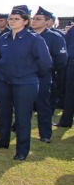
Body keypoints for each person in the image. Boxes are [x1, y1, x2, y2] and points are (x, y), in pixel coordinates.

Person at [0, 5, 52, 160]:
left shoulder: (35, 39)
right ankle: (3, 141)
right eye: (11, 18)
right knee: (3, 114)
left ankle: (22, 150)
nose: (12, 21)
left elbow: (45, 63)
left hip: (25, 83)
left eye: (16, 19)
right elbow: (1, 57)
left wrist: (30, 75)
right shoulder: (4, 38)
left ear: (25, 21)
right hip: (3, 81)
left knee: (23, 116)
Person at [31, 7, 67, 143]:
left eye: (38, 19)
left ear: (47, 22)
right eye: (33, 18)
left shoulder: (54, 37)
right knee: (23, 104)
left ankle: (45, 133)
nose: (34, 21)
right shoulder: (27, 34)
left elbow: (61, 60)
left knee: (43, 105)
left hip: (43, 77)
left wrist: (47, 69)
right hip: (26, 76)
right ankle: (18, 127)